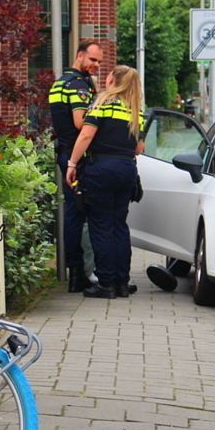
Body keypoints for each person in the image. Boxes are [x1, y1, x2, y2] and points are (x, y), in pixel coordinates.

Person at [65, 66, 144, 299]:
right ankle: (121, 283)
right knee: (119, 226)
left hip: (102, 170)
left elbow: (86, 135)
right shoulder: (135, 109)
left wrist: (72, 164)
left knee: (101, 226)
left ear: (112, 79)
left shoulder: (102, 101)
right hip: (127, 169)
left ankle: (105, 283)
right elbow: (138, 148)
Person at [49, 40, 102, 292]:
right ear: (79, 55)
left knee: (74, 211)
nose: (96, 65)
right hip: (75, 155)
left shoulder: (60, 82)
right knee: (77, 212)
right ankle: (78, 272)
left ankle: (76, 271)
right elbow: (81, 123)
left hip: (64, 150)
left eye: (99, 62)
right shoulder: (79, 85)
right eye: (92, 60)